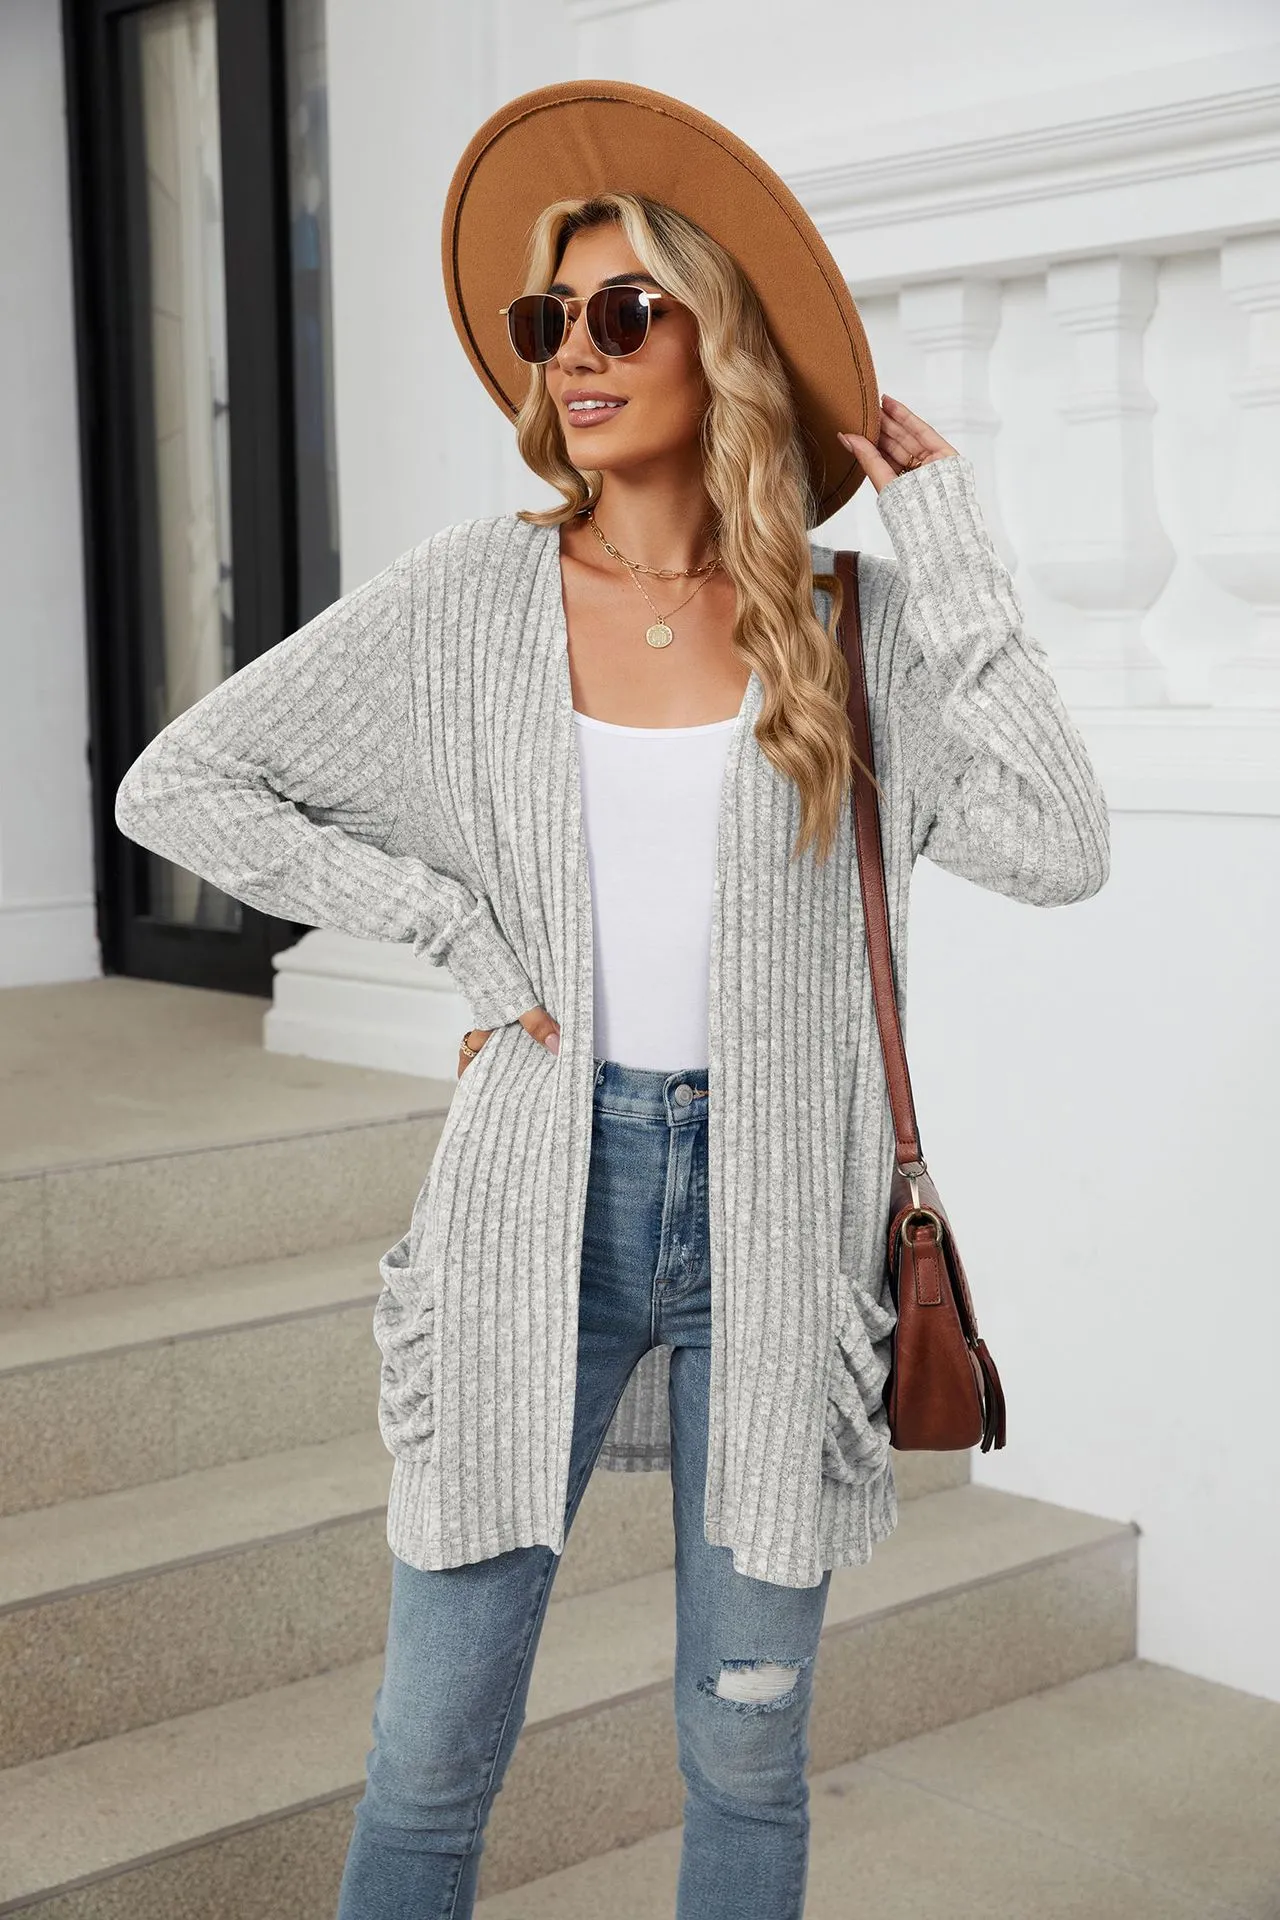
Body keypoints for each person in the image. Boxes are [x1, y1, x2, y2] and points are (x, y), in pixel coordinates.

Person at [113, 78, 1111, 1920]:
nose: (574, 351)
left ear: (716, 342)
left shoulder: (852, 624)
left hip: (778, 1224)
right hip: (533, 1207)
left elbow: (1064, 843)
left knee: (746, 1760)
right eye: (547, 317)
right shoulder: (470, 600)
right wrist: (448, 924)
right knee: (430, 1762)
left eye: (623, 311)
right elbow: (179, 784)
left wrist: (953, 552)